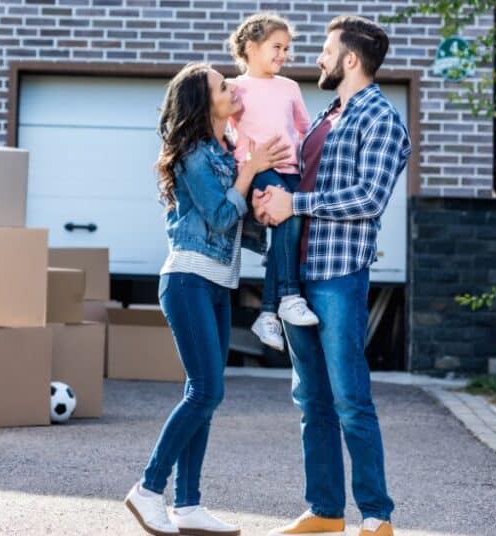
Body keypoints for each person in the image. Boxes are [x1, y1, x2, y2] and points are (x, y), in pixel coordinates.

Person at [253, 15, 411, 536]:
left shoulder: (382, 119)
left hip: (339, 273)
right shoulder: (324, 116)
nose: (316, 59)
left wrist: (294, 202)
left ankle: (376, 515)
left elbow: (368, 199)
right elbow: (295, 185)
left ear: (350, 59)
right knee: (311, 399)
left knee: (349, 397)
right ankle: (325, 511)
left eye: (325, 50)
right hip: (299, 275)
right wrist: (269, 201)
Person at [123, 62, 287, 536]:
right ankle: (150, 489)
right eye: (222, 86)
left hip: (217, 282)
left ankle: (188, 504)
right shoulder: (194, 153)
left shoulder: (227, 150)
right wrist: (249, 172)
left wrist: (260, 202)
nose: (232, 88)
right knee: (206, 390)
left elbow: (239, 224)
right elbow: (217, 216)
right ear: (203, 102)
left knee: (206, 394)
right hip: (189, 280)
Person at [227, 12, 318, 353]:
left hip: (291, 169)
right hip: (259, 169)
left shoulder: (290, 88)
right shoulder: (234, 88)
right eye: (276, 47)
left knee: (288, 230)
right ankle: (289, 296)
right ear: (251, 47)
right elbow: (221, 128)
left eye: (287, 49)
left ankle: (267, 314)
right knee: (287, 219)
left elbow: (305, 131)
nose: (283, 55)